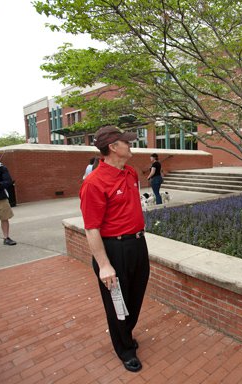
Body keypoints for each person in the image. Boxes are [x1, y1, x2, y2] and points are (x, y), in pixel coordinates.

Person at [79, 126, 149, 373]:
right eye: (126, 142)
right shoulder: (94, 183)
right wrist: (104, 264)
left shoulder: (130, 172)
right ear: (113, 147)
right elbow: (91, 229)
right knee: (117, 303)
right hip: (113, 250)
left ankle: (126, 335)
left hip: (138, 244)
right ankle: (125, 350)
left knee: (136, 295)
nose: (131, 145)